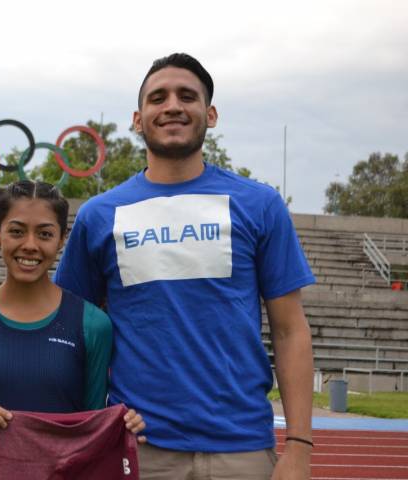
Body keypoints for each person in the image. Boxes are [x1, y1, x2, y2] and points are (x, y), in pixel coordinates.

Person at [55, 53, 315, 479]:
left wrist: (300, 447)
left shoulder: (260, 204)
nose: (173, 106)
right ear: (137, 120)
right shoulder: (99, 215)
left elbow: (290, 330)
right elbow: (69, 333)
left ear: (210, 115)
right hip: (139, 447)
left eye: (187, 96)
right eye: (158, 98)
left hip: (242, 450)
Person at [0, 180, 145, 479]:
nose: (30, 245)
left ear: (62, 239)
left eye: (45, 234)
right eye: (16, 231)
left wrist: (123, 425)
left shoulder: (92, 325)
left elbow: (92, 426)